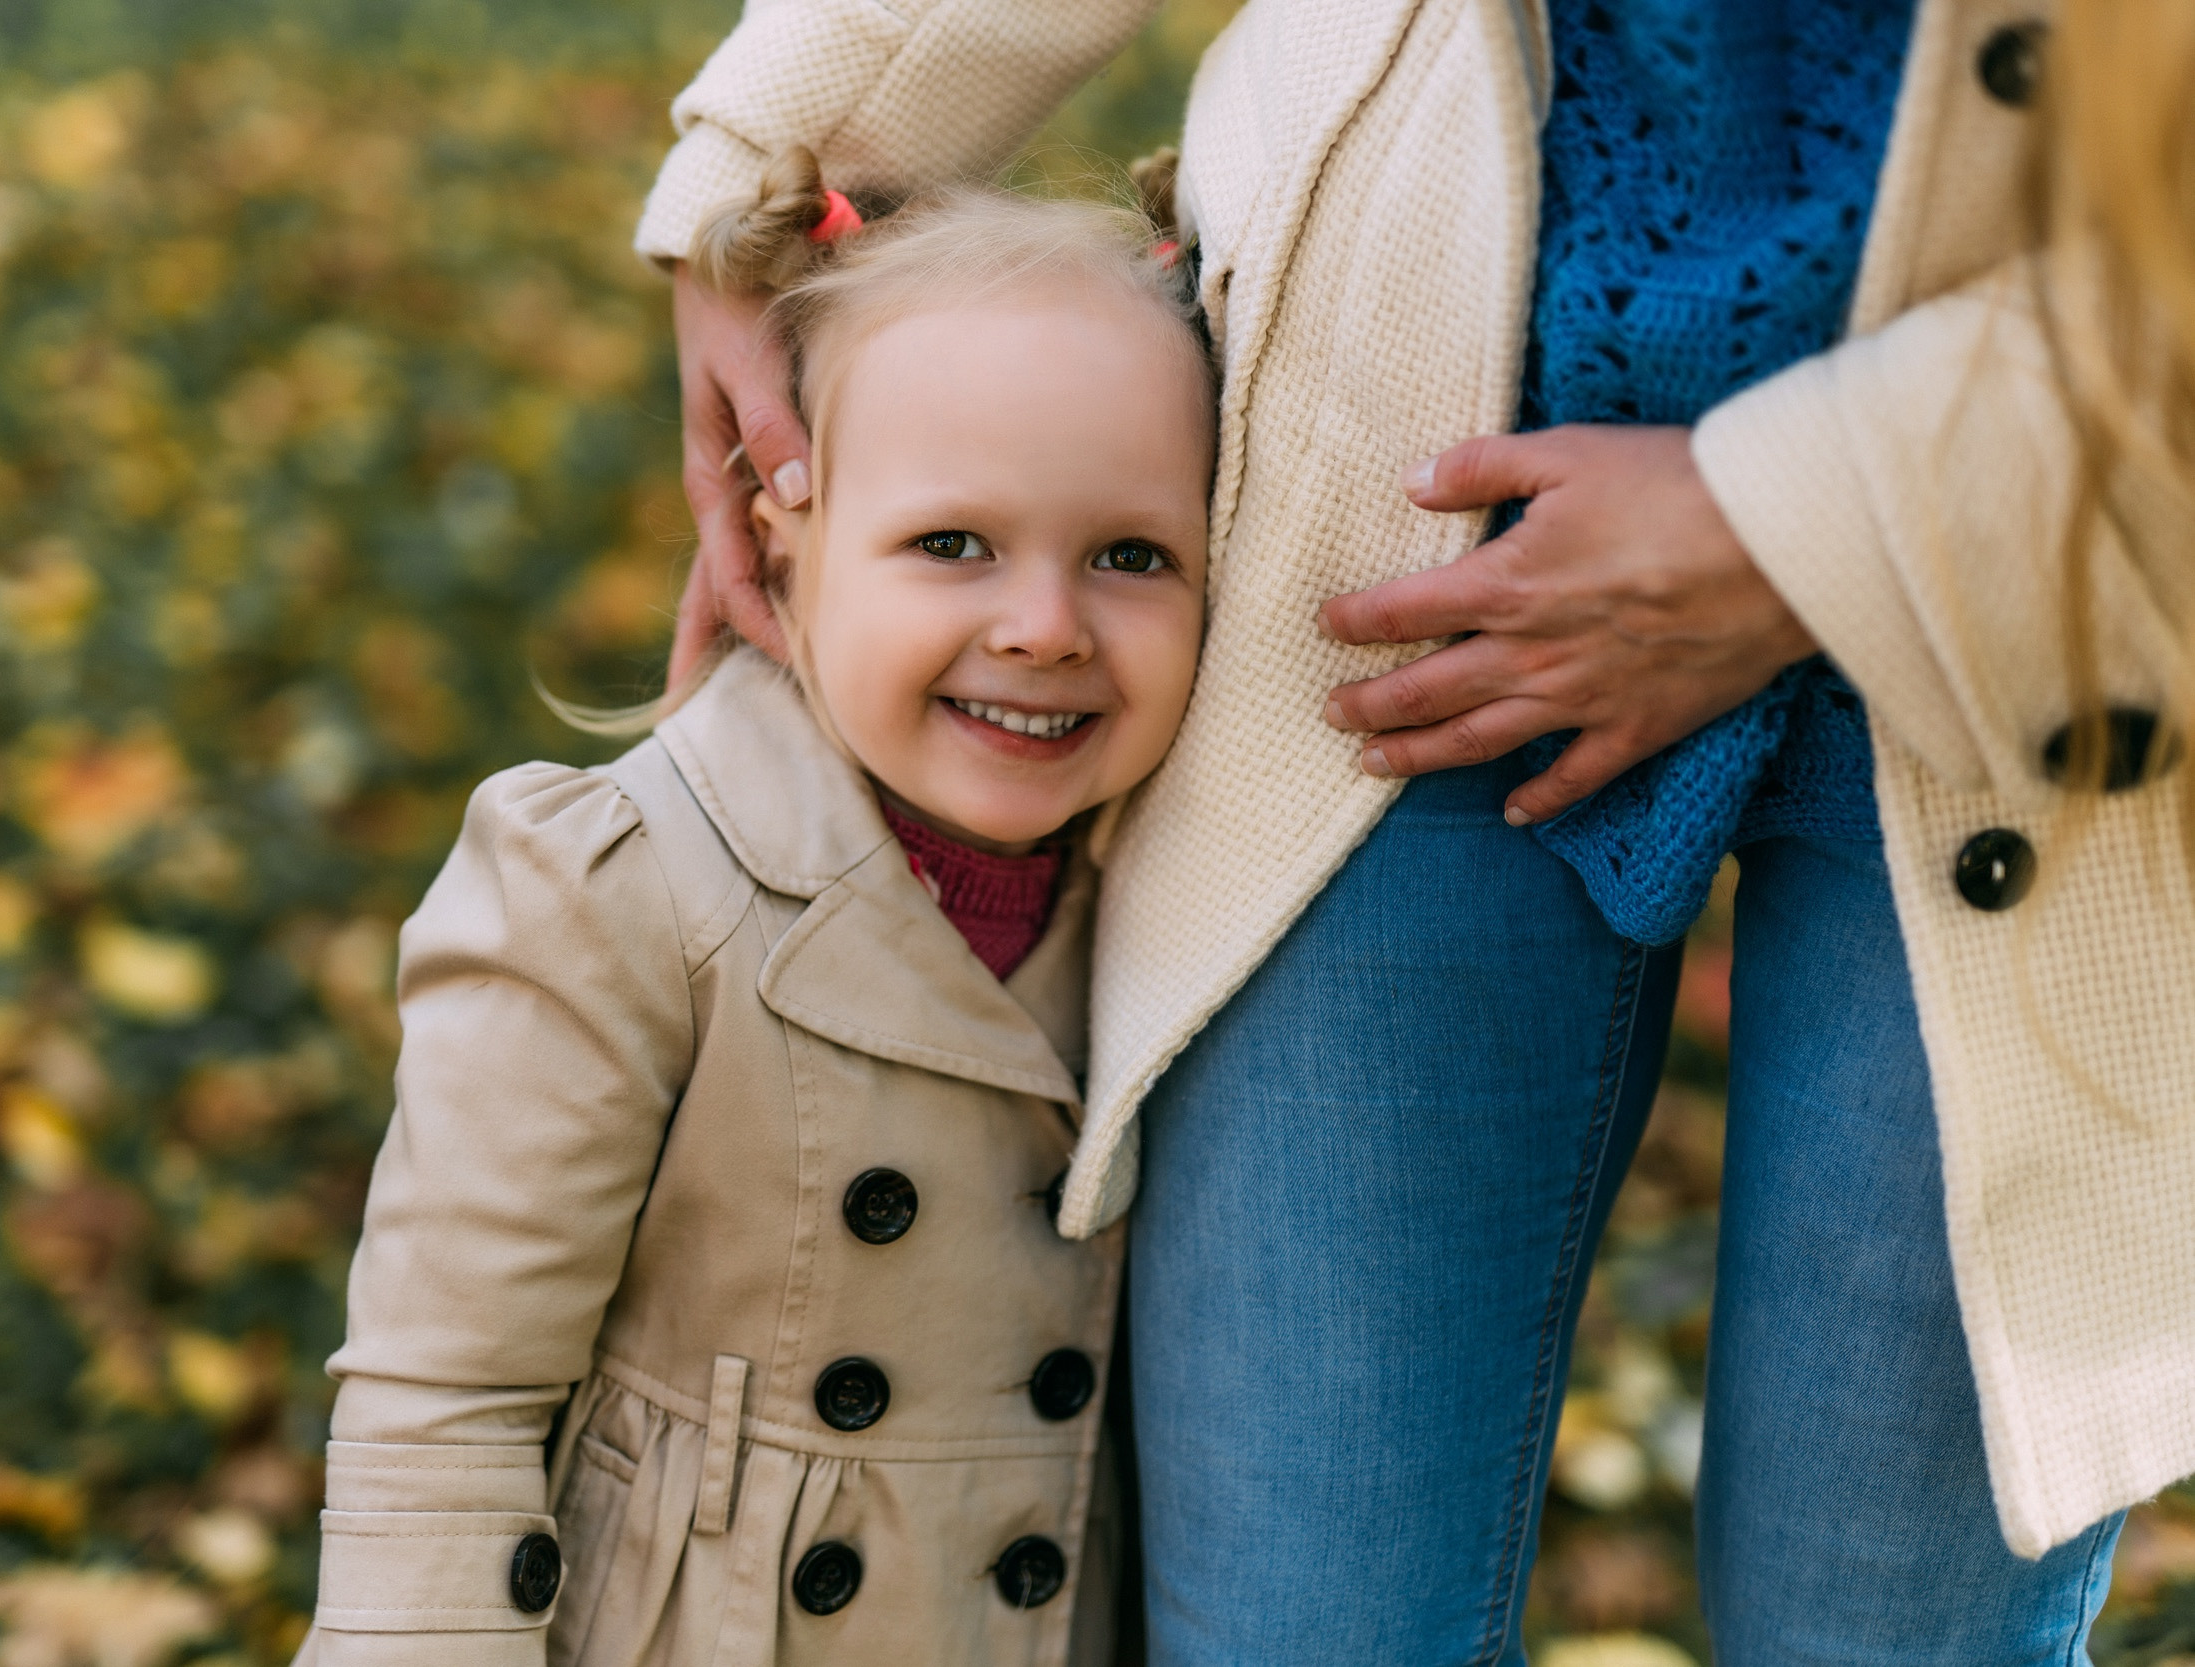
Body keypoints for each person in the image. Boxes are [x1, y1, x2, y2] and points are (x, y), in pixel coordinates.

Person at [645, 0, 2195, 1661]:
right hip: (1402, 485)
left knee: (1891, 1639)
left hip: (2054, 534)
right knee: (1295, 1629)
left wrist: (1810, 514)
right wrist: (766, 174)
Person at [295, 170, 1216, 1665]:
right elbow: (444, 1391)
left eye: (1130, 556)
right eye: (953, 545)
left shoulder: (1172, 900)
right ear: (779, 533)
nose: (1046, 624)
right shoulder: (622, 890)